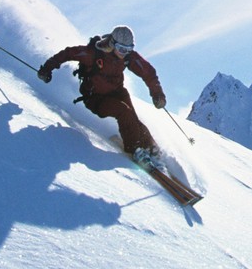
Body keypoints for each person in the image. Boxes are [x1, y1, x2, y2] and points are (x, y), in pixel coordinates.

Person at [37, 25, 167, 165]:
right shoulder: (93, 53)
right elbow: (68, 53)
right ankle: (135, 149)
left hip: (117, 92)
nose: (124, 53)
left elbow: (148, 71)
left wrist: (157, 94)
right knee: (124, 111)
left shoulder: (127, 57)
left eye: (128, 50)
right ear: (112, 44)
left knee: (132, 117)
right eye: (122, 49)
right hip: (96, 98)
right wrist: (47, 69)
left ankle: (151, 148)